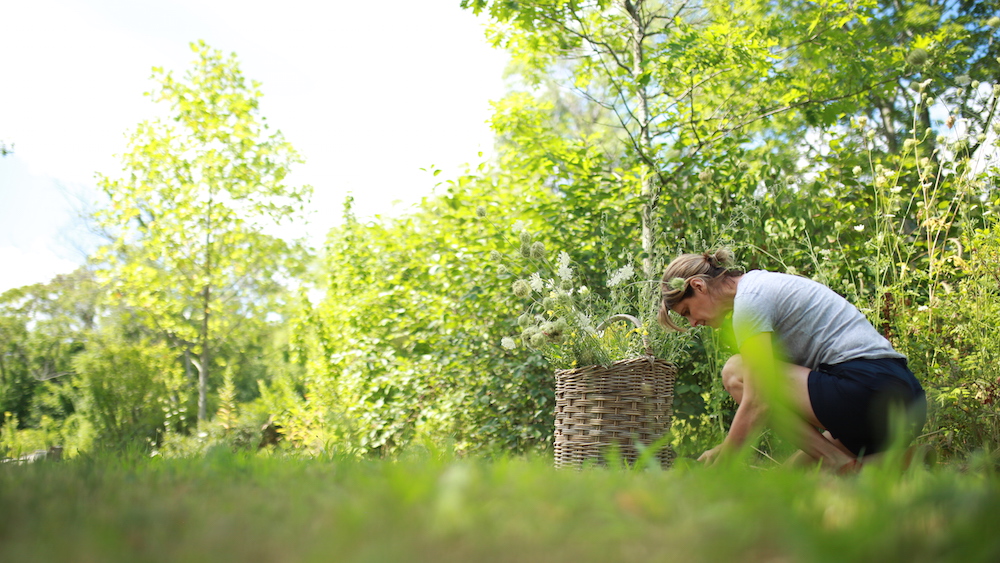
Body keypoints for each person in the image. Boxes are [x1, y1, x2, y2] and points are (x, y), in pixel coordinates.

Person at [658, 249, 926, 471]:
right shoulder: (760, 286)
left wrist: (726, 457)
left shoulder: (750, 302)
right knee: (793, 477)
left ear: (698, 285)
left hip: (870, 387)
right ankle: (904, 463)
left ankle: (838, 463)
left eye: (687, 311)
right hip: (904, 400)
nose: (693, 323)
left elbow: (759, 400)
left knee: (736, 372)